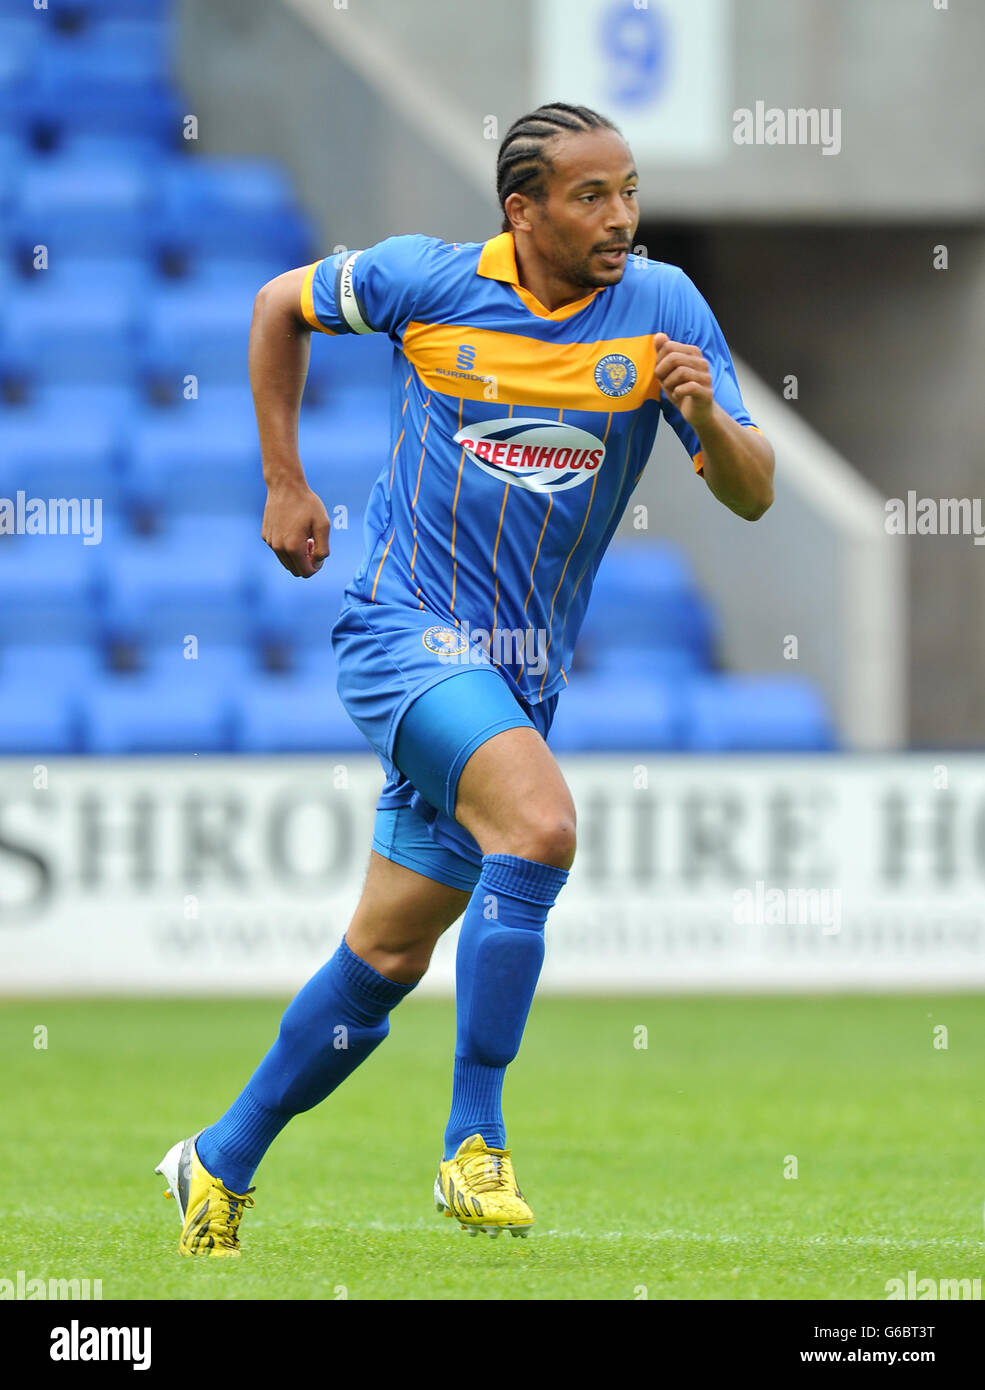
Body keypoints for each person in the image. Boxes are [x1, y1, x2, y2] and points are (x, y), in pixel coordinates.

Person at [155, 102, 774, 1255]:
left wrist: (701, 415)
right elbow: (274, 305)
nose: (622, 218)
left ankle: (216, 1159)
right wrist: (285, 483)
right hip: (403, 634)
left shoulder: (664, 309)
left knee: (386, 956)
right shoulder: (423, 284)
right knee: (537, 827)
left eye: (631, 191)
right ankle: (473, 1140)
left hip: (521, 677)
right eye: (592, 196)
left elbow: (751, 490)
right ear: (521, 209)